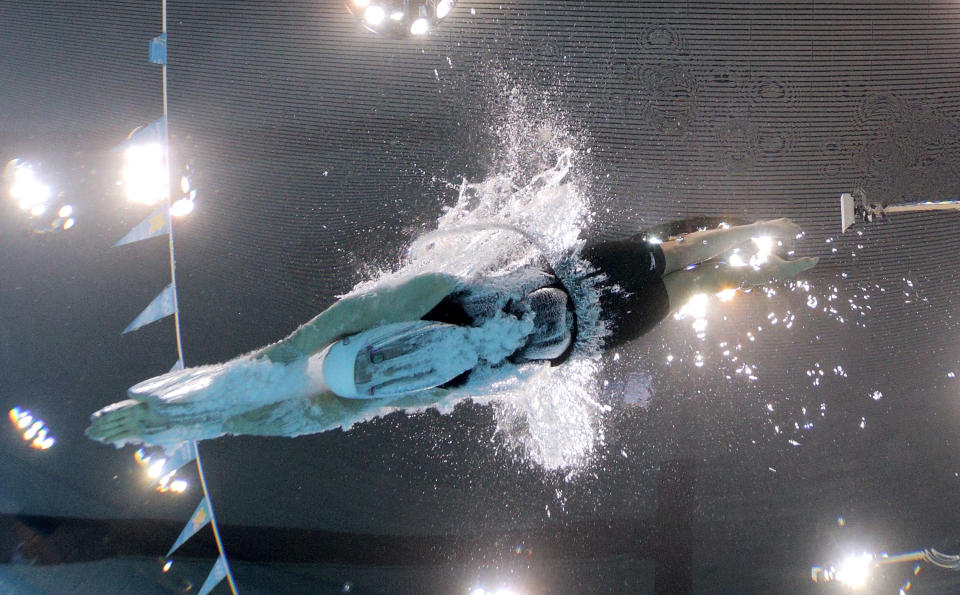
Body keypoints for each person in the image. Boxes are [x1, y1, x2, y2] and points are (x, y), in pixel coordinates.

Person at [86, 218, 817, 448]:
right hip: (591, 333)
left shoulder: (428, 296)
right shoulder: (416, 391)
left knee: (679, 259)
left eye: (377, 361)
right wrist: (189, 425)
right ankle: (774, 268)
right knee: (696, 285)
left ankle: (761, 233)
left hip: (581, 278)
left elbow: (274, 372)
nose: (390, 371)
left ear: (370, 340)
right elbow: (279, 418)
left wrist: (178, 411)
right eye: (384, 379)